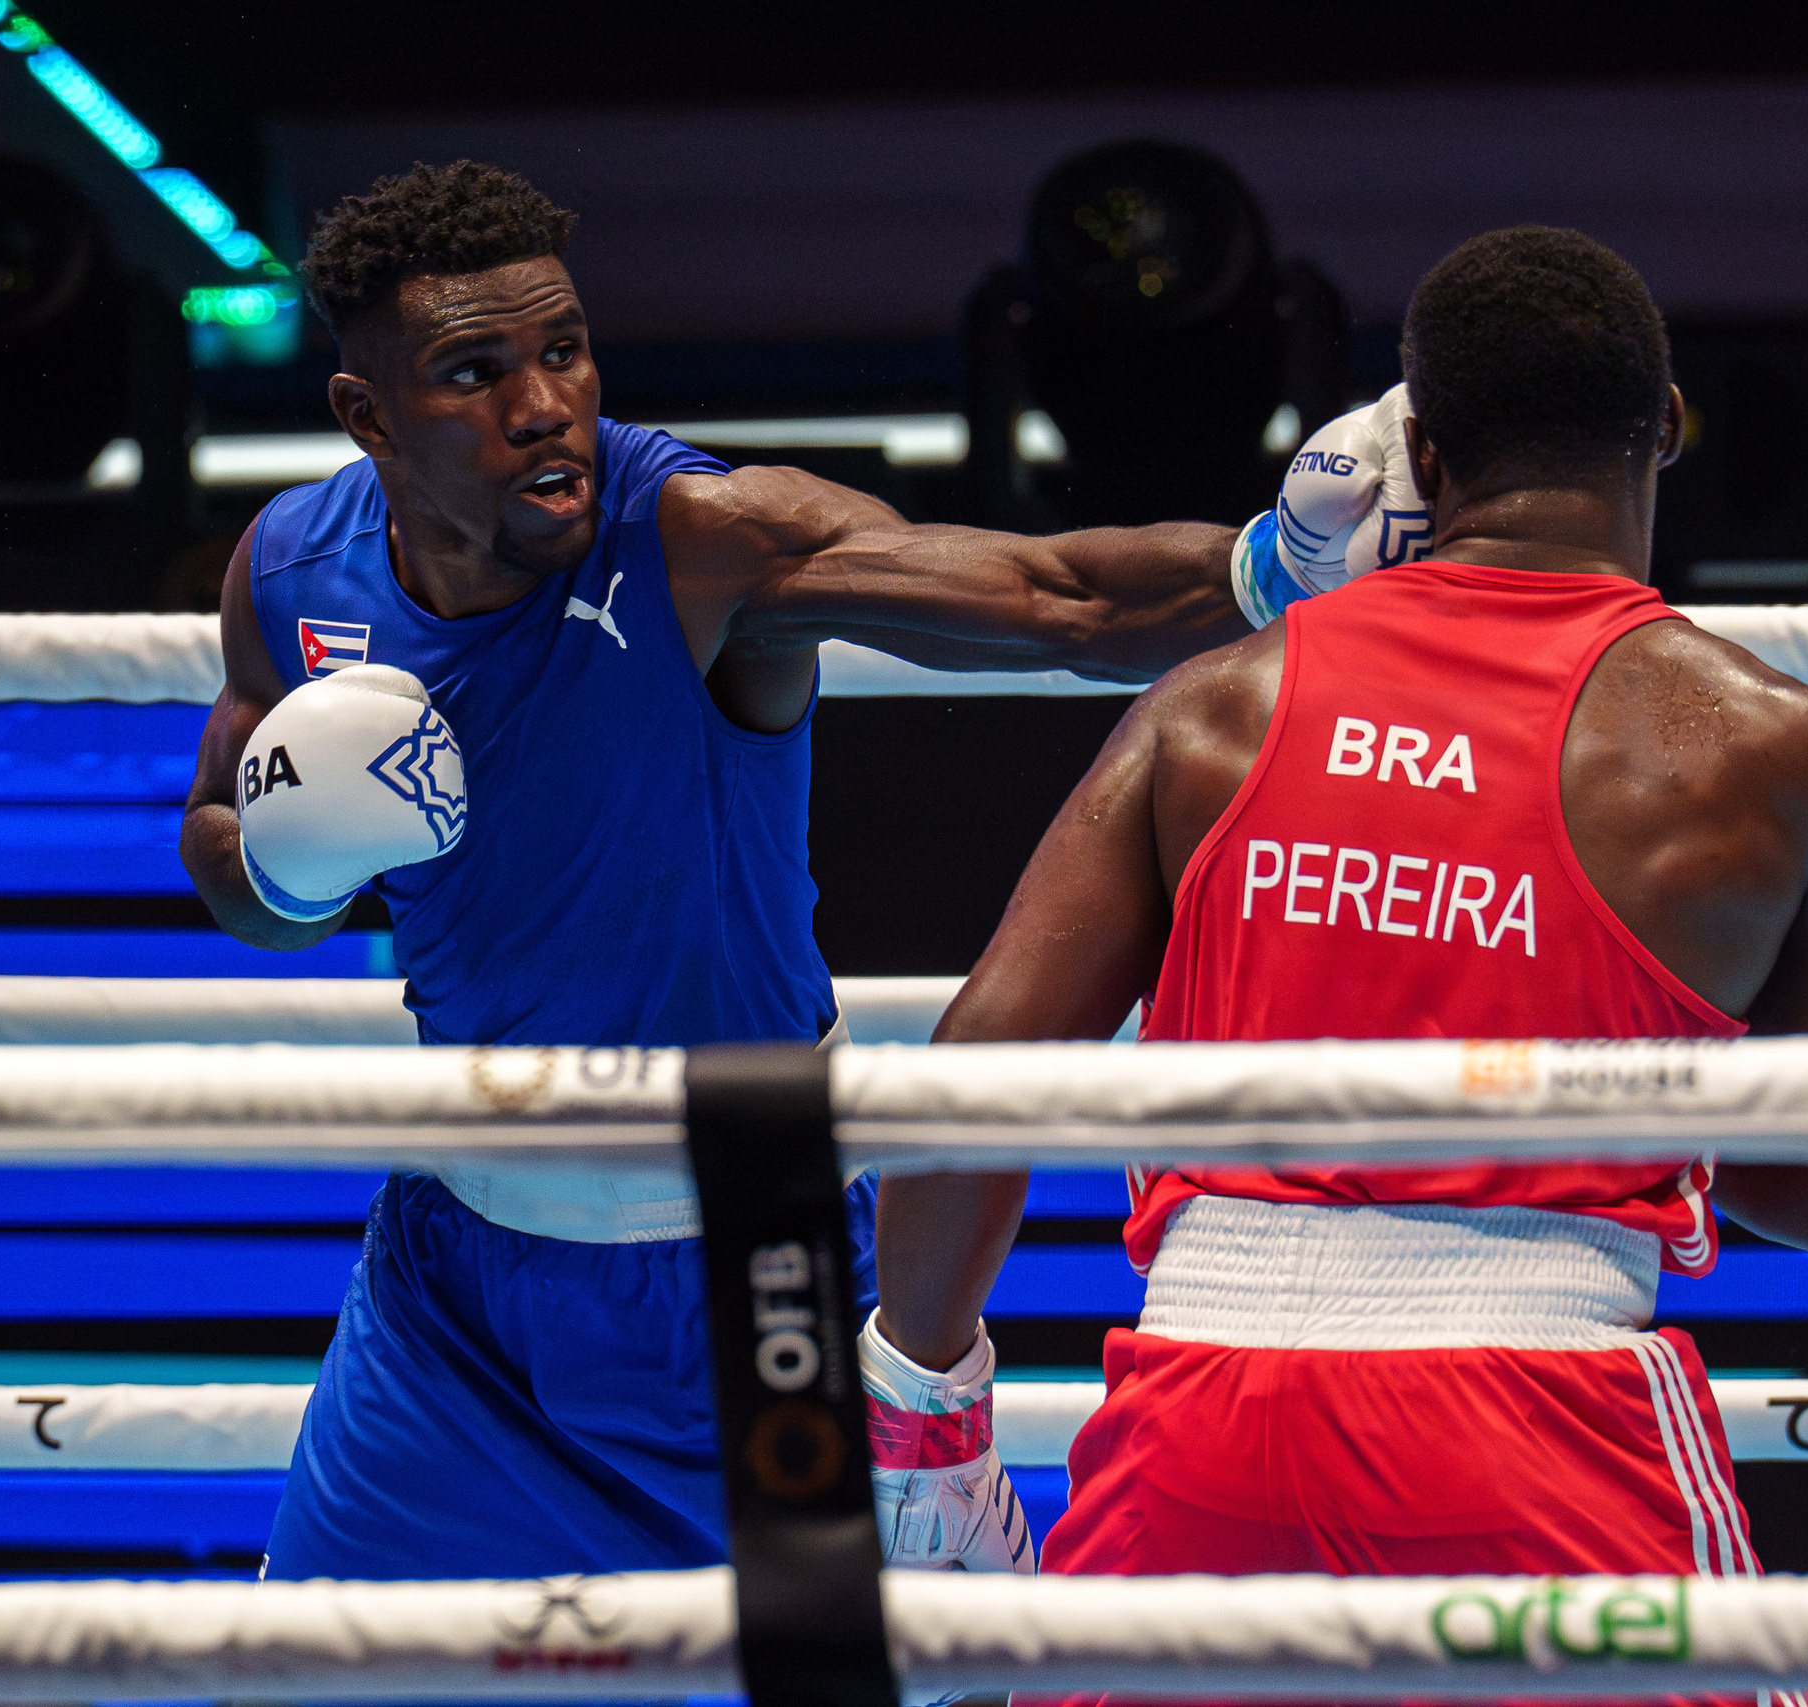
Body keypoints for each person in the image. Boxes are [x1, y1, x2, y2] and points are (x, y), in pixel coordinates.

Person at [177, 160, 1247, 1581]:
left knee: (907, 1679)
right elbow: (219, 853)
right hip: (458, 1286)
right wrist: (289, 862)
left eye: (562, 349)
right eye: (474, 371)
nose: (544, 402)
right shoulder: (295, 569)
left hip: (751, 1265)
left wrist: (1290, 566)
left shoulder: (696, 542)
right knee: (310, 1679)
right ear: (367, 416)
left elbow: (1060, 596)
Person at [874, 226, 1808, 1588]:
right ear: (1664, 428)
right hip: (1543, 1428)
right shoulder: (1774, 750)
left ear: (1417, 452)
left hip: (1198, 1424)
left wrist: (929, 1423)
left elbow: (981, 1073)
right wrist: (1598, 1099)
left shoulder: (1212, 708)